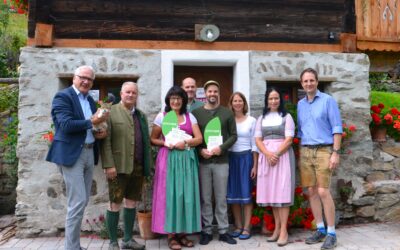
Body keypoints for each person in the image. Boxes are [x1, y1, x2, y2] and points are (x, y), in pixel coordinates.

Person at [46, 65, 108, 250]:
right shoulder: (63, 97)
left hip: (90, 151)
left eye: (89, 79)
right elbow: (65, 125)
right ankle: (71, 248)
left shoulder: (89, 101)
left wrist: (98, 132)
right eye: (82, 77)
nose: (86, 81)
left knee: (82, 201)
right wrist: (92, 121)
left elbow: (89, 127)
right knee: (78, 201)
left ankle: (74, 245)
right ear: (74, 78)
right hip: (72, 155)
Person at [151, 86, 203, 250]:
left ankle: (182, 233)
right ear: (168, 100)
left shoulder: (190, 117)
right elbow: (153, 139)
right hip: (168, 159)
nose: (175, 101)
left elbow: (199, 138)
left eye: (179, 98)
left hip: (187, 159)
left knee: (185, 195)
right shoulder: (163, 116)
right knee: (170, 194)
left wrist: (185, 142)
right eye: (172, 98)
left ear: (183, 101)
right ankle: (171, 235)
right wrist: (165, 142)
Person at [100, 82, 151, 250]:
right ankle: (113, 242)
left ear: (137, 95)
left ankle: (128, 240)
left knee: (131, 203)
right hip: (118, 166)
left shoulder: (141, 116)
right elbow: (105, 141)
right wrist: (108, 165)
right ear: (121, 94)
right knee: (114, 203)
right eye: (127, 92)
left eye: (134, 92)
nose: (130, 95)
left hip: (137, 167)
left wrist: (146, 166)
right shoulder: (111, 112)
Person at [297, 68, 342, 250]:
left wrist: (335, 152)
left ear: (317, 81)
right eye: (305, 81)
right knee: (311, 191)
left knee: (323, 191)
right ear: (302, 84)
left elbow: (337, 127)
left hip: (324, 150)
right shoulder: (300, 104)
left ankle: (332, 233)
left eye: (311, 80)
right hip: (306, 151)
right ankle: (321, 229)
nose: (309, 84)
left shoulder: (327, 101)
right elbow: (301, 130)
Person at [192, 80, 238, 245]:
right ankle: (207, 231)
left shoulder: (227, 113)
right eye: (209, 91)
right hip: (204, 162)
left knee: (220, 197)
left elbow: (234, 135)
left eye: (215, 92)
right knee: (205, 198)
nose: (212, 94)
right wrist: (199, 151)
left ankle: (224, 231)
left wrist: (222, 148)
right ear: (204, 94)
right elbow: (193, 138)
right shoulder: (196, 113)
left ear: (218, 93)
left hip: (221, 161)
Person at [255, 87, 295, 247]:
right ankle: (277, 229)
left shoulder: (287, 117)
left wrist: (276, 154)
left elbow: (289, 139)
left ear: (280, 99)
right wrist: (267, 154)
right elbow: (258, 139)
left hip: (282, 157)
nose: (273, 101)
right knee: (273, 193)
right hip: (267, 158)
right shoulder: (261, 118)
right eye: (271, 98)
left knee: (282, 193)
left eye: (276, 98)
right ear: (267, 100)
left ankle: (284, 230)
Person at [227, 92, 258, 240]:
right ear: (231, 103)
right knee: (233, 194)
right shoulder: (228, 119)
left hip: (246, 158)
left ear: (244, 103)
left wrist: (255, 165)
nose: (237, 103)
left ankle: (247, 227)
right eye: (235, 101)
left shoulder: (251, 120)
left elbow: (255, 144)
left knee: (246, 194)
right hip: (231, 158)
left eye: (240, 101)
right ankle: (238, 226)